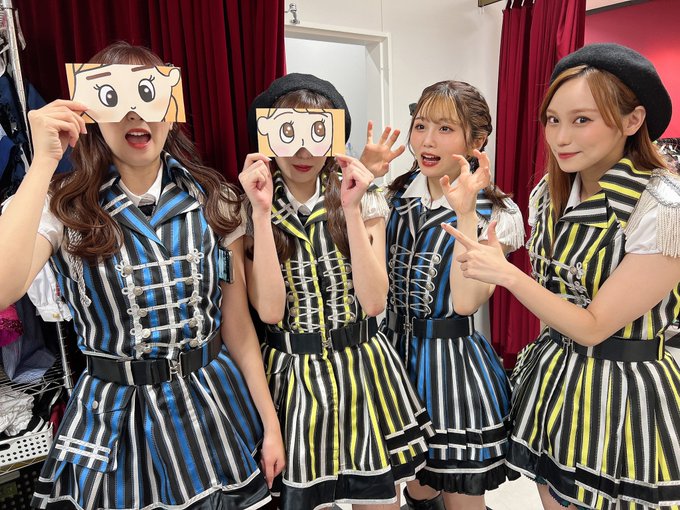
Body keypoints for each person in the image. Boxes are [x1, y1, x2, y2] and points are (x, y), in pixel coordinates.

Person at [0, 41, 284, 509]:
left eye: (147, 96)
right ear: (91, 110)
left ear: (170, 108)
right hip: (115, 419)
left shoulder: (215, 200)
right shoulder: (61, 205)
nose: (135, 113)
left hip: (212, 406)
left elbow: (237, 327)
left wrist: (271, 424)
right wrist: (44, 162)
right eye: (115, 98)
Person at [443, 43, 680, 509]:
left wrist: (510, 276)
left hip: (624, 391)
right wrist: (468, 215)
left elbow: (593, 326)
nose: (561, 137)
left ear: (633, 121)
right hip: (555, 379)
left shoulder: (662, 207)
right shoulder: (548, 194)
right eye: (553, 120)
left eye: (582, 119)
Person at [239, 72, 433, 509]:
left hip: (362, 367)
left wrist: (351, 208)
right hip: (294, 378)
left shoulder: (364, 195)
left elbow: (374, 301)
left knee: (379, 501)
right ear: (267, 135)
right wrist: (262, 214)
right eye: (288, 133)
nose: (303, 151)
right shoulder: (248, 207)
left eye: (316, 133)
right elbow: (270, 311)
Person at [375, 81, 524, 510]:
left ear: (477, 140)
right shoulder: (391, 196)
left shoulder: (496, 212)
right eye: (421, 125)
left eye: (445, 129)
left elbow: (466, 302)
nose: (427, 141)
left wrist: (465, 211)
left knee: (460, 493)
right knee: (413, 487)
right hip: (390, 359)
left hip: (451, 366)